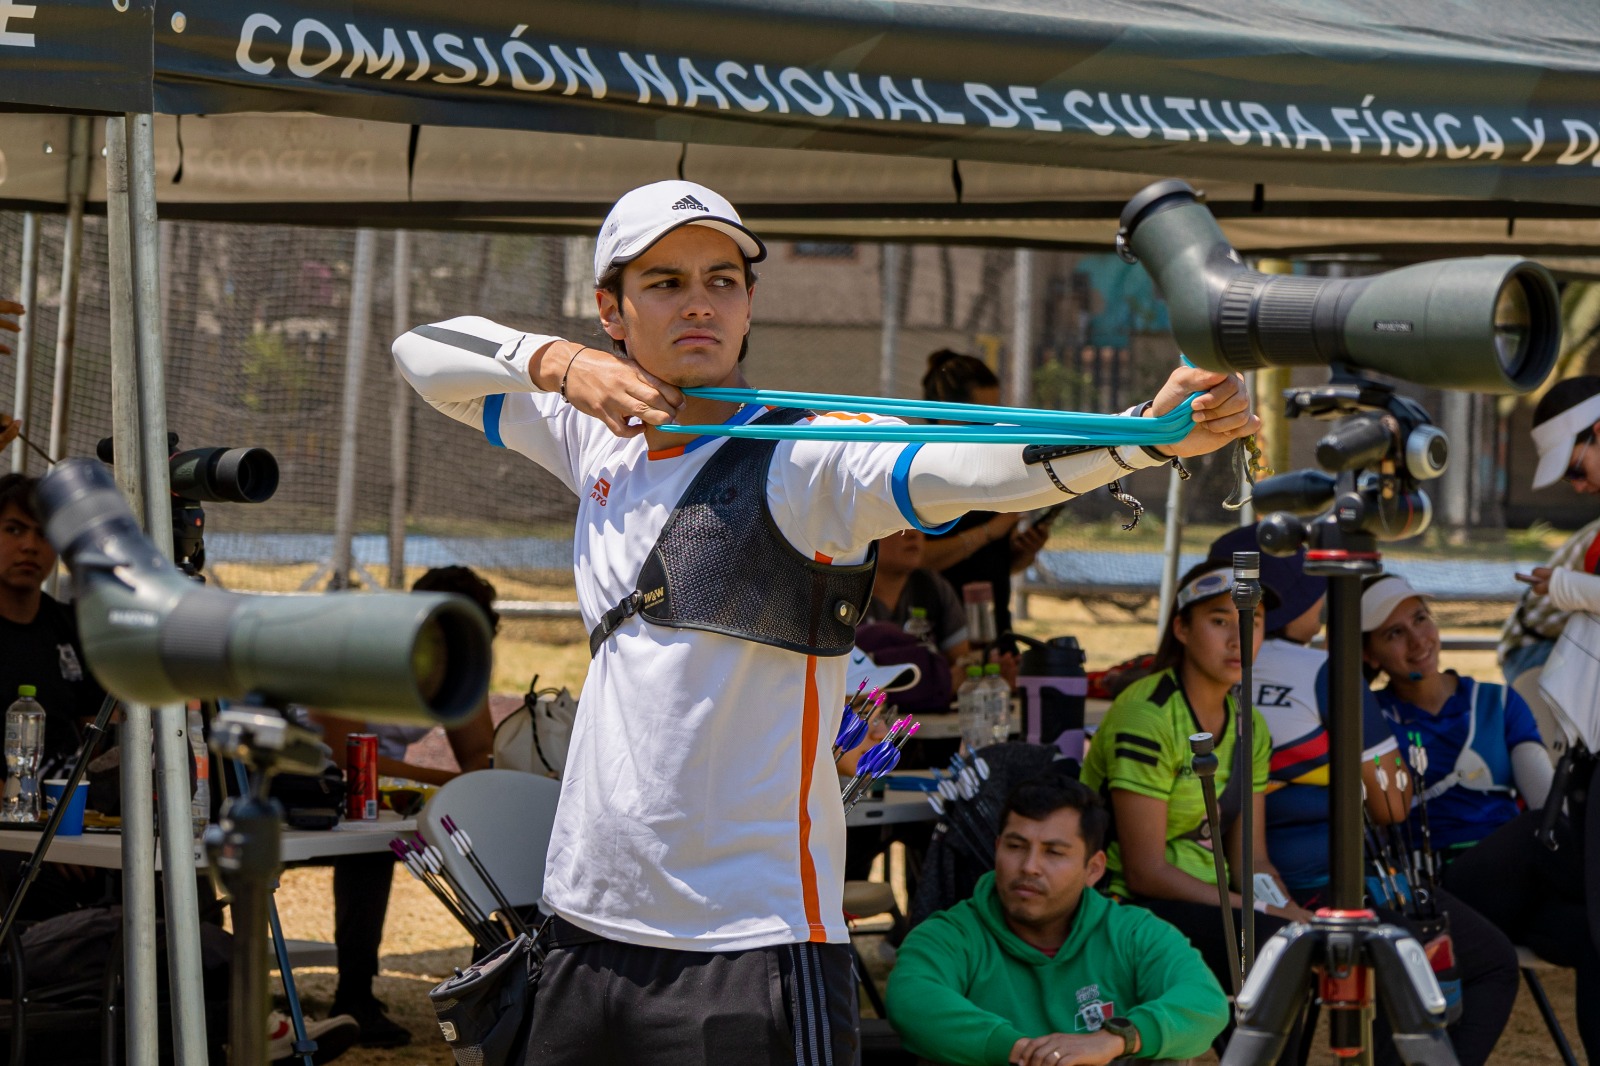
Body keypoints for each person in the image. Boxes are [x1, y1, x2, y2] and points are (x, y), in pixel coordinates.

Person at [393, 178, 1259, 1063]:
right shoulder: (593, 434)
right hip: (586, 924)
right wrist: (559, 363)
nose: (700, 302)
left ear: (749, 302)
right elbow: (420, 353)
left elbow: (973, 466)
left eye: (723, 280)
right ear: (611, 311)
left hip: (751, 947)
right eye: (665, 282)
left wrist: (1139, 435)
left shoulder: (808, 455)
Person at [1208, 530, 1517, 1066]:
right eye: (1316, 589)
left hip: (1231, 885)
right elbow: (1392, 805)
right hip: (1332, 889)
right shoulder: (1320, 670)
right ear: (1296, 597)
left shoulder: (1202, 664)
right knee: (1490, 963)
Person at [1080, 561, 1309, 1061]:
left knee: (1298, 942)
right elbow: (1144, 872)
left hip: (1213, 902)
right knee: (1271, 948)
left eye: (1251, 621)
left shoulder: (1251, 724)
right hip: (1126, 905)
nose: (1237, 638)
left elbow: (1253, 859)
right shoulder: (1147, 715)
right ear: (1182, 629)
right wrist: (1257, 912)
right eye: (1219, 620)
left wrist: (1288, 911)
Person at [1363, 574, 1598, 1059]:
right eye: (1394, 634)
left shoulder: (1498, 701)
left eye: (1421, 619)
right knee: (1535, 835)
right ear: (1369, 656)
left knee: (1595, 934)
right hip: (1438, 891)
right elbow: (1542, 829)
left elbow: (1545, 802)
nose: (1418, 641)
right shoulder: (1369, 716)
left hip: (1520, 889)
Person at [885, 776, 1228, 1066]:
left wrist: (1114, 1039)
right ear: (997, 848)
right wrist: (1027, 1053)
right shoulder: (949, 935)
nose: (1029, 866)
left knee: (1178, 1051)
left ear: (1093, 869)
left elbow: (1205, 1002)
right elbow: (911, 1000)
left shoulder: (1132, 932)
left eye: (1054, 852)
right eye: (1016, 846)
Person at [307, 565, 499, 1048]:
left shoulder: (463, 658)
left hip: (373, 789)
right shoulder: (361, 650)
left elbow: (480, 754)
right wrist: (453, 784)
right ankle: (353, 996)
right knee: (370, 842)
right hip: (302, 777)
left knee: (486, 826)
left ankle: (496, 982)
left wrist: (481, 791)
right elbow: (345, 754)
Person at [919, 351, 1050, 648]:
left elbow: (994, 565)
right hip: (941, 643)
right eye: (979, 419)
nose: (990, 430)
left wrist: (1023, 553)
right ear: (945, 412)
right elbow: (916, 560)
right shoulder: (919, 471)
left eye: (994, 418)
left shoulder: (989, 467)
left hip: (995, 636)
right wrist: (990, 531)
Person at [1500, 375, 1600, 686]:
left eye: (1576, 470)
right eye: (1569, 478)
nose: (1578, 487)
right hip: (1536, 648)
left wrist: (1564, 585)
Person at [863, 528, 971, 665]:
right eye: (899, 527)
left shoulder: (932, 586)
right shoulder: (847, 596)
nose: (913, 534)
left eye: (919, 524)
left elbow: (963, 661)